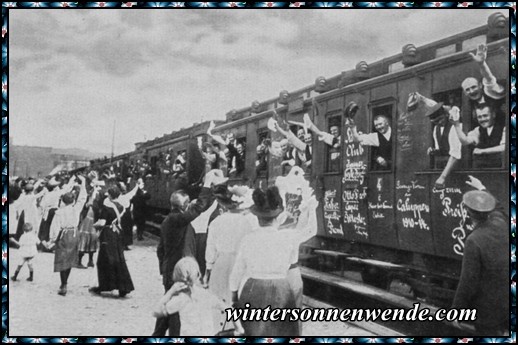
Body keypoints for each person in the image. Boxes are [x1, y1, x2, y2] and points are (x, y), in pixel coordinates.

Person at [229, 185, 316, 336]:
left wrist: (234, 296)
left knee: (253, 332)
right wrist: (312, 208)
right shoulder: (287, 236)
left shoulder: (248, 239)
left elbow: (236, 272)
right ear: (278, 217)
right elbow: (311, 230)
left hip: (253, 288)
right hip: (281, 289)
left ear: (257, 217)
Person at [153, 169, 218, 336]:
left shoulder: (172, 219)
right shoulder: (177, 219)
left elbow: (160, 250)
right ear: (184, 205)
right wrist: (206, 184)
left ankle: (156, 336)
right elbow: (199, 208)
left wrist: (213, 191)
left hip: (172, 269)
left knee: (170, 308)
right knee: (177, 313)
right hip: (178, 271)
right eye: (188, 203)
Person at [451, 176, 508, 336]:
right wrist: (482, 188)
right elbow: (500, 208)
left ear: (469, 213)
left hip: (488, 311)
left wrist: (456, 311)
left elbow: (468, 281)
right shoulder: (501, 223)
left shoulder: (473, 240)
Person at [203, 184, 255, 306]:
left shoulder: (216, 222)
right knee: (240, 300)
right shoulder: (250, 222)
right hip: (243, 264)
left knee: (220, 300)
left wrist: (208, 270)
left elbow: (210, 251)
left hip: (221, 263)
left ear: (223, 204)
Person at [152, 257, 228, 336]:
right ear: (198, 275)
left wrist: (170, 292)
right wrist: (238, 328)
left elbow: (155, 312)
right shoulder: (206, 295)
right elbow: (227, 308)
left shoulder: (180, 299)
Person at [88, 182, 139, 298]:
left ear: (110, 195)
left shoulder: (107, 207)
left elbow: (102, 222)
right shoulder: (121, 206)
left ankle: (104, 286)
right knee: (119, 259)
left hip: (107, 234)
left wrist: (94, 226)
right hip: (117, 234)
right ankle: (123, 287)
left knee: (103, 260)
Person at [46, 175, 87, 296]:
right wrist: (83, 183)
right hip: (74, 234)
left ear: (63, 201)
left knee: (62, 259)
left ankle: (63, 283)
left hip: (63, 235)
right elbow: (83, 198)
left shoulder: (59, 212)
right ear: (73, 200)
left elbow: (55, 228)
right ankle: (66, 282)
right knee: (69, 259)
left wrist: (52, 240)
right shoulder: (76, 209)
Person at [422, 98, 462, 189]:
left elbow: (455, 154)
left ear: (446, 115)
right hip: (442, 169)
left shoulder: (455, 127)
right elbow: (441, 149)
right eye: (435, 122)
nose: (439, 123)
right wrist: (434, 151)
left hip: (456, 169)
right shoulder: (436, 129)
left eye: (440, 119)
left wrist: (442, 177)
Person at [461, 44, 505, 125]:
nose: (471, 91)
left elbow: (489, 79)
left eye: (473, 87)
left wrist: (482, 64)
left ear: (480, 85)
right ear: (464, 93)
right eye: (467, 89)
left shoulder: (489, 91)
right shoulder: (468, 105)